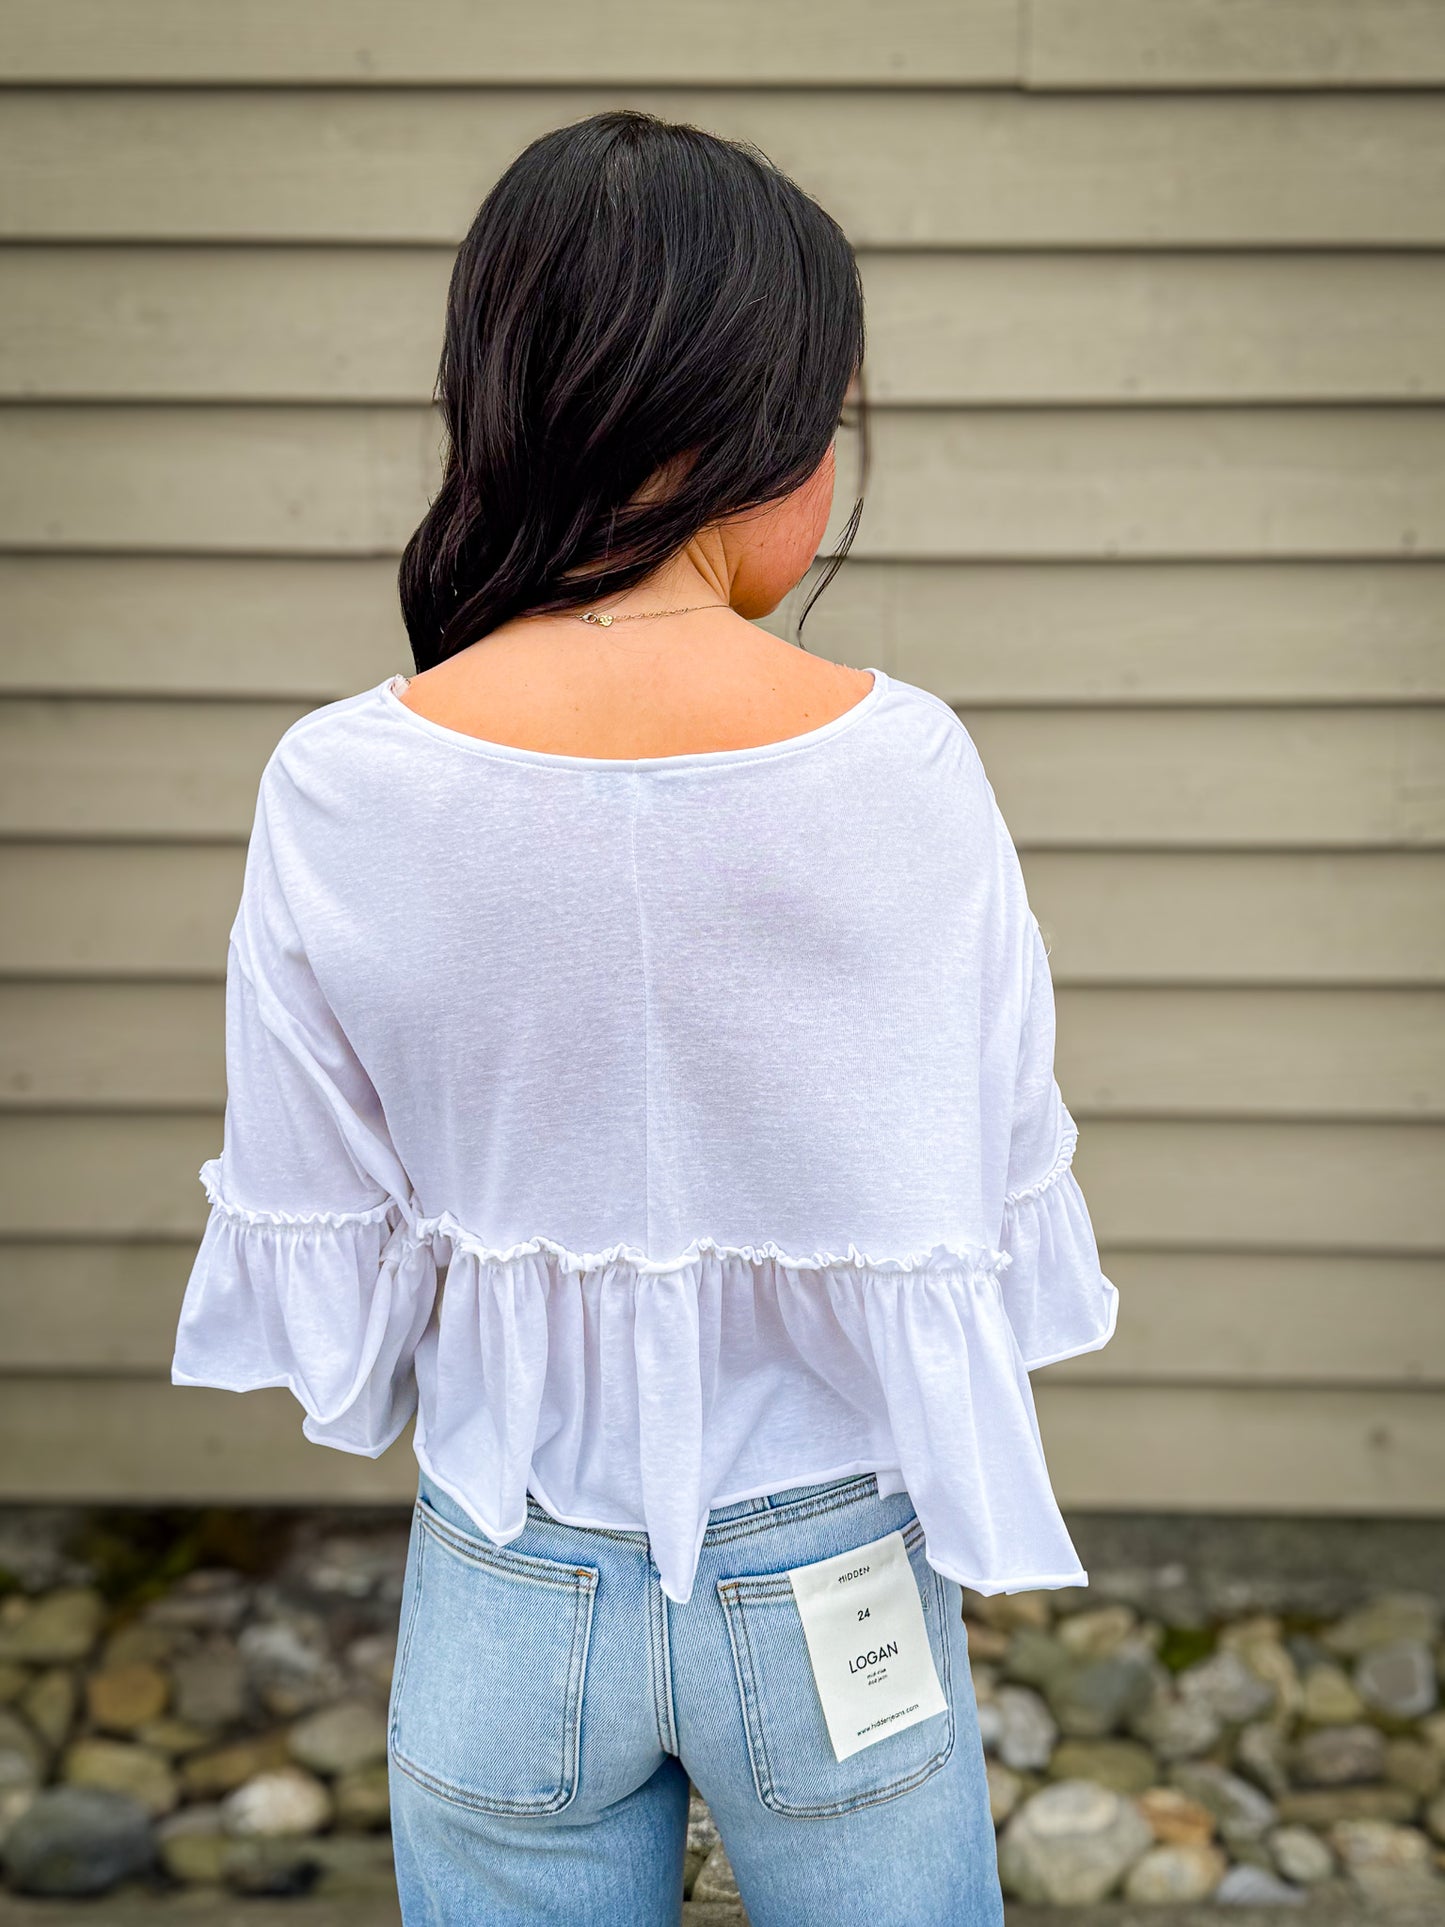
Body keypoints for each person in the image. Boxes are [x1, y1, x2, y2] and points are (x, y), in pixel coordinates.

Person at [172, 108, 1118, 1926]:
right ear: (758, 430)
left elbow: (321, 1208)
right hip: (829, 1563)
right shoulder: (902, 763)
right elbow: (988, 1171)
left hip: (507, 1565)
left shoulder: (340, 780)